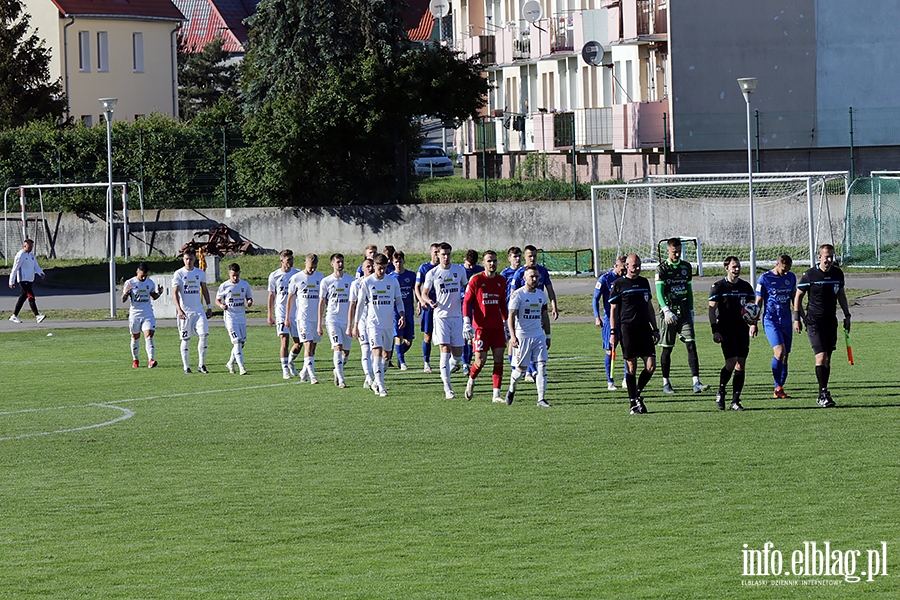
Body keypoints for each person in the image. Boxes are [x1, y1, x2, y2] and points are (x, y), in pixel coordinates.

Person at [793, 244, 851, 408]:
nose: (830, 259)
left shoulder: (837, 274)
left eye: (832, 256)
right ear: (819, 257)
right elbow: (798, 296)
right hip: (814, 321)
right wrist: (797, 317)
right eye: (827, 256)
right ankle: (824, 392)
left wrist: (847, 315)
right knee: (821, 356)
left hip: (830, 321)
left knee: (828, 359)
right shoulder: (810, 275)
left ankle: (822, 393)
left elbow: (841, 295)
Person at [655, 237, 708, 394]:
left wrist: (691, 311)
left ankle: (696, 382)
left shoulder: (686, 267)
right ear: (667, 251)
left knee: (691, 344)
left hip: (684, 312)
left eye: (679, 252)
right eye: (674, 252)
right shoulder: (662, 269)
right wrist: (665, 310)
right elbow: (659, 292)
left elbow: (689, 291)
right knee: (667, 349)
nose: (677, 255)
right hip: (669, 313)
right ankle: (666, 383)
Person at [609, 254, 659, 415]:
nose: (636, 268)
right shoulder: (618, 284)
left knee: (651, 366)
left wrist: (655, 327)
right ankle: (633, 403)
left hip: (644, 328)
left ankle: (636, 393)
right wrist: (613, 332)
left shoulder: (644, 282)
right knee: (631, 367)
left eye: (639, 265)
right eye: (634, 265)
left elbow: (649, 306)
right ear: (626, 266)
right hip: (627, 329)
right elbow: (613, 310)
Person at [421, 242, 469, 399]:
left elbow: (467, 289)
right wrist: (428, 301)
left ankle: (451, 366)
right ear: (438, 255)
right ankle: (447, 388)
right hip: (441, 317)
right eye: (443, 254)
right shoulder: (432, 273)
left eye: (448, 254)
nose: (446, 257)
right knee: (444, 350)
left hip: (456, 317)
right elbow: (424, 293)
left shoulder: (459, 270)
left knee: (457, 355)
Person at [708, 257, 756, 411]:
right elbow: (711, 310)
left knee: (741, 364)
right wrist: (714, 330)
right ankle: (721, 391)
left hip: (741, 329)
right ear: (726, 268)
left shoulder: (746, 287)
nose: (737, 269)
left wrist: (753, 323)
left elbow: (752, 309)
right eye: (734, 267)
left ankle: (735, 400)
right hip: (725, 330)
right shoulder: (719, 287)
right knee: (731, 362)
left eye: (738, 267)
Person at [356, 254, 405, 397]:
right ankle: (381, 386)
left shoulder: (392, 282)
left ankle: (377, 380)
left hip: (389, 324)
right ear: (374, 266)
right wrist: (356, 324)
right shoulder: (367, 282)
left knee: (386, 356)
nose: (381, 271)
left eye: (384, 268)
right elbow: (359, 305)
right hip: (373, 325)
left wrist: (402, 315)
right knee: (376, 351)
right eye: (379, 268)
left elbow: (398, 300)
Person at [463, 250, 508, 402]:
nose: (492, 263)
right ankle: (471, 380)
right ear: (483, 263)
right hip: (481, 327)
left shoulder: (501, 280)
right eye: (489, 261)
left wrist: (506, 323)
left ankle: (496, 394)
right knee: (480, 361)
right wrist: (466, 322)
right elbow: (467, 302)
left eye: (494, 261)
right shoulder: (475, 280)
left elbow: (502, 303)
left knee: (499, 358)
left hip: (497, 328)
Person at [505, 265, 551, 407]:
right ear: (524, 278)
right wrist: (512, 336)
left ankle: (541, 399)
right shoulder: (518, 295)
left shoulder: (541, 295)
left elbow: (545, 315)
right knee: (520, 371)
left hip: (538, 335)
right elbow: (510, 317)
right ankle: (512, 388)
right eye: (532, 276)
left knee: (542, 366)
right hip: (522, 336)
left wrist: (548, 335)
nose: (535, 279)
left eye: (536, 276)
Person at [756, 255, 797, 399]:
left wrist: (799, 317)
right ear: (777, 264)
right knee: (779, 351)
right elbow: (759, 301)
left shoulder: (791, 277)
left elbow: (794, 298)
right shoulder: (764, 278)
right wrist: (754, 322)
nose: (786, 273)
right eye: (783, 270)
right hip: (770, 320)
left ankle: (778, 388)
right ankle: (778, 387)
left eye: (788, 270)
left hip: (786, 321)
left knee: (785, 356)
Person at [286, 253, 325, 384]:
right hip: (303, 318)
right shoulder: (296, 278)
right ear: (305, 264)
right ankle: (312, 376)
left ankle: (304, 371)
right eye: (310, 267)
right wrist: (287, 317)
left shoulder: (320, 278)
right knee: (307, 345)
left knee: (313, 347)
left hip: (316, 318)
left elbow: (323, 299)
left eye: (314, 267)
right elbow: (290, 299)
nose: (312, 269)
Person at [172, 247, 213, 374]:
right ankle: (186, 366)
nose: (188, 261)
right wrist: (179, 310)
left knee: (204, 336)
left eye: (190, 259)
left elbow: (204, 290)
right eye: (186, 259)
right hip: (185, 312)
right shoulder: (178, 274)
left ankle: (201, 365)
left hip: (199, 311)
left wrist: (209, 306)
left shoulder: (199, 273)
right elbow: (174, 293)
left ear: (194, 259)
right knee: (186, 339)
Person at [318, 253, 354, 388]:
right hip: (332, 319)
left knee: (346, 352)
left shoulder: (350, 281)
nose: (340, 264)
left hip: (347, 321)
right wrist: (319, 324)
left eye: (342, 261)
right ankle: (341, 379)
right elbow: (321, 302)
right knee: (337, 347)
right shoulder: (326, 281)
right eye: (338, 262)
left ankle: (337, 370)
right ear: (332, 264)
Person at [593, 255, 627, 390]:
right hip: (609, 320)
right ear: (616, 266)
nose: (624, 271)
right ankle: (610, 381)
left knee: (627, 349)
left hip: (624, 319)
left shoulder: (626, 278)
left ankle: (626, 378)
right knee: (610, 350)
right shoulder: (605, 279)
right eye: (623, 268)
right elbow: (595, 298)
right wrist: (597, 317)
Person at [267, 249, 302, 379]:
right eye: (288, 260)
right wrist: (270, 315)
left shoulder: (298, 274)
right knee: (284, 340)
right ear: (282, 261)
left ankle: (290, 361)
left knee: (299, 343)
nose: (290, 262)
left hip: (296, 313)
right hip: (281, 313)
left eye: (292, 259)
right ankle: (285, 369)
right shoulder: (274, 276)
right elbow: (271, 295)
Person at [121, 262, 163, 368]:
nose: (144, 277)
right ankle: (135, 360)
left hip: (147, 313)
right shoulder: (130, 283)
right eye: (142, 275)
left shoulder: (150, 283)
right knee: (135, 337)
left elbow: (153, 296)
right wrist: (126, 293)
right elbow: (123, 300)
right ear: (137, 272)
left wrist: (159, 293)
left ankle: (151, 360)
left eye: (145, 275)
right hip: (135, 314)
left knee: (149, 335)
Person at [216, 263, 254, 375]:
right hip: (230, 317)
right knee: (237, 341)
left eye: (237, 275)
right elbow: (217, 300)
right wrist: (221, 305)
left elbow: (249, 297)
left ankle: (230, 363)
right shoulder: (224, 286)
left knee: (241, 343)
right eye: (233, 275)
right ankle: (242, 368)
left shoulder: (244, 285)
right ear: (229, 274)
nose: (235, 278)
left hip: (241, 316)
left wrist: (250, 301)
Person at [348, 258, 376, 388]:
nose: (370, 269)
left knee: (376, 351)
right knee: (366, 349)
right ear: (362, 268)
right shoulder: (356, 284)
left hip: (376, 322)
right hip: (362, 322)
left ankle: (373, 375)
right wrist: (352, 325)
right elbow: (352, 305)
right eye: (368, 266)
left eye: (372, 266)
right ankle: (369, 377)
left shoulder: (378, 282)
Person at [415, 242, 441, 373]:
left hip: (442, 306)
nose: (437, 255)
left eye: (439, 252)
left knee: (445, 336)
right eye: (435, 252)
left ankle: (447, 362)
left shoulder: (445, 269)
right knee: (428, 335)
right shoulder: (424, 268)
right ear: (431, 253)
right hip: (429, 307)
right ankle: (427, 363)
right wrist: (420, 301)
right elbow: (417, 287)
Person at [8, 238, 46, 323]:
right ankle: (37, 315)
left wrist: (41, 273)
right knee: (31, 295)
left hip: (30, 279)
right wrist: (11, 281)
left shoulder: (32, 256)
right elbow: (15, 268)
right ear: (25, 246)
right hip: (23, 280)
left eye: (32, 246)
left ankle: (14, 316)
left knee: (22, 298)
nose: (31, 248)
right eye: (29, 246)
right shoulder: (20, 255)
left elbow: (36, 266)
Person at [390, 251, 416, 370]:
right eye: (396, 262)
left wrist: (419, 303)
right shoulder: (390, 277)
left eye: (400, 261)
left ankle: (397, 353)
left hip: (409, 310)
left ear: (403, 261)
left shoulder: (411, 275)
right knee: (398, 336)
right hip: (396, 312)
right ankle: (402, 362)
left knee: (409, 340)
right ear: (392, 262)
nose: (398, 264)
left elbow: (416, 290)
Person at [461, 249, 485, 373]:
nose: (471, 267)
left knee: (472, 337)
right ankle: (464, 363)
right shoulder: (460, 270)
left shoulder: (480, 270)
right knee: (465, 336)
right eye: (469, 264)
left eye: (473, 265)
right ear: (464, 260)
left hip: (476, 308)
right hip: (462, 306)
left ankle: (467, 363)